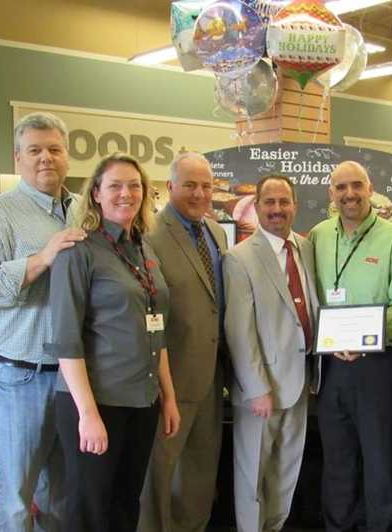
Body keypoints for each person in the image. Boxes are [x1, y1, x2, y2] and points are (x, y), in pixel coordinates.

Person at [0, 112, 84, 531]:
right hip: (18, 378)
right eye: (34, 150)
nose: (45, 158)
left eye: (54, 149)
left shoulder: (83, 212)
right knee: (14, 502)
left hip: (72, 380)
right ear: (18, 159)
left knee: (62, 499)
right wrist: (40, 260)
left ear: (67, 156)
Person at [44, 153, 180, 532]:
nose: (126, 193)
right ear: (97, 195)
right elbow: (67, 341)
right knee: (90, 511)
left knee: (125, 504)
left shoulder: (144, 249)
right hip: (97, 404)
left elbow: (158, 330)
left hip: (142, 401)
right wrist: (88, 415)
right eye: (115, 186)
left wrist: (167, 397)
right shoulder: (79, 251)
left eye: (134, 185)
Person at [308, 161, 392, 532]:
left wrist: (365, 338)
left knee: (378, 460)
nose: (349, 194)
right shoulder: (319, 236)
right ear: (331, 194)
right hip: (330, 367)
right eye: (341, 187)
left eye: (357, 185)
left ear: (370, 189)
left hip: (377, 364)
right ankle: (338, 527)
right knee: (338, 460)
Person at [224, 175, 320, 532]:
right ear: (257, 206)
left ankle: (274, 527)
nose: (277, 209)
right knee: (253, 477)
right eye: (270, 202)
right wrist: (256, 387)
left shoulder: (307, 248)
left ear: (295, 205)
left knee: (286, 470)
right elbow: (238, 328)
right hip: (262, 390)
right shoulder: (239, 258)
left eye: (284, 202)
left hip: (302, 382)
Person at [139, 151, 228, 532]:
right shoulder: (149, 236)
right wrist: (161, 383)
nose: (199, 193)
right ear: (170, 186)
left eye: (206, 186)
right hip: (170, 379)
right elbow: (147, 315)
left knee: (199, 471)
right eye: (190, 185)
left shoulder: (217, 232)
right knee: (160, 475)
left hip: (213, 376)